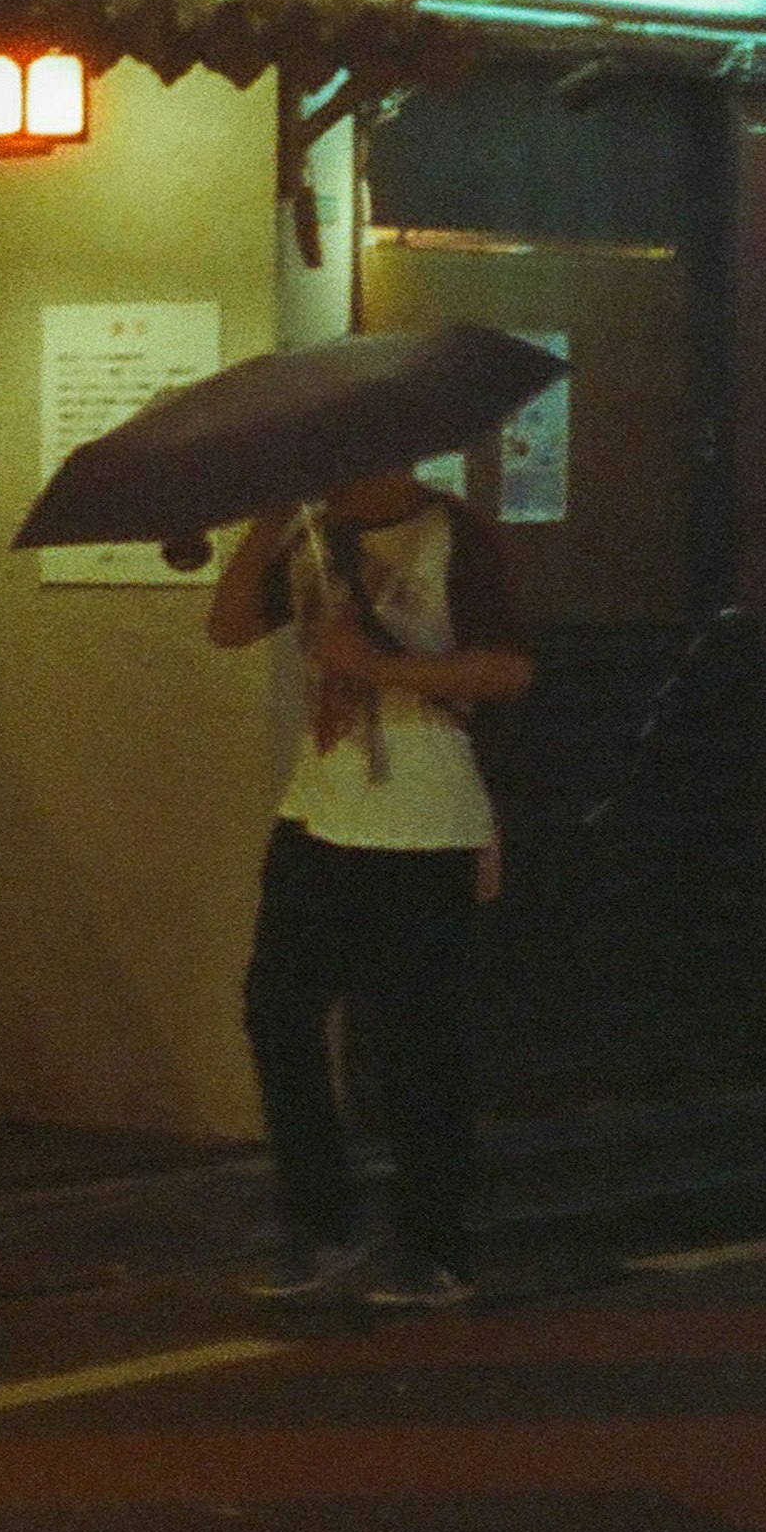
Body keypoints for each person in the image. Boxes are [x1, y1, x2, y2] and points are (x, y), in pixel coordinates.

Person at [206, 466, 534, 1309]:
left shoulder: (458, 536)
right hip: (317, 809)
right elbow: (230, 626)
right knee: (277, 1011)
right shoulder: (316, 539)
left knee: (415, 1038)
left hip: (425, 817)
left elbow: (508, 670)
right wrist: (265, 523)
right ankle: (321, 1218)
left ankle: (435, 1244)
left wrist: (382, 670)